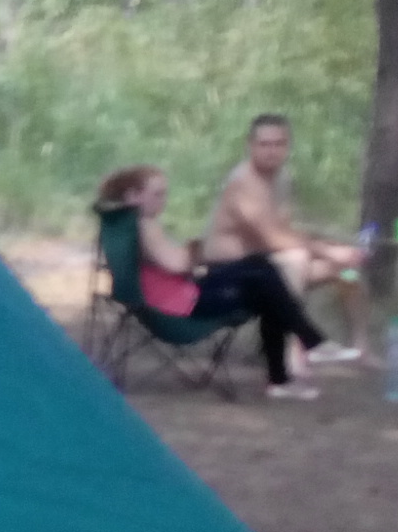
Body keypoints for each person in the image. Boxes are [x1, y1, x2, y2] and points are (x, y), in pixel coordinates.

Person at [97, 162, 332, 401]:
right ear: (132, 196)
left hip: (175, 297)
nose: (163, 201)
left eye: (164, 194)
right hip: (181, 307)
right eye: (157, 194)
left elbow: (171, 264)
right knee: (265, 282)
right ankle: (298, 358)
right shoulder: (144, 224)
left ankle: (304, 351)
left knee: (262, 271)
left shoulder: (121, 223)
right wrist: (198, 249)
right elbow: (177, 265)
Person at [200, 113, 372, 359]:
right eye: (264, 144)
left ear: (287, 146)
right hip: (228, 276)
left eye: (278, 144)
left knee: (347, 271)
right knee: (296, 259)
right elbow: (273, 239)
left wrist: (334, 251)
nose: (272, 151)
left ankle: (360, 348)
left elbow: (284, 232)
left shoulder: (281, 178)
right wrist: (327, 251)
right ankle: (289, 354)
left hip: (266, 269)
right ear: (250, 145)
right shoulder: (244, 182)